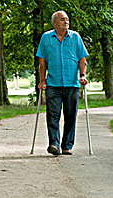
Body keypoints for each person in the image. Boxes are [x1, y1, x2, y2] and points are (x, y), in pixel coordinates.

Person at [36, 10, 88, 156]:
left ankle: (67, 146)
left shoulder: (75, 37)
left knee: (71, 116)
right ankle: (54, 144)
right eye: (62, 20)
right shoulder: (46, 38)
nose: (66, 22)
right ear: (54, 22)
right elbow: (42, 61)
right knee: (53, 115)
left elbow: (82, 59)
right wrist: (42, 80)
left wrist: (82, 75)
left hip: (72, 84)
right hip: (53, 84)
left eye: (67, 20)